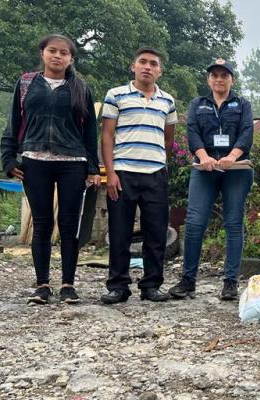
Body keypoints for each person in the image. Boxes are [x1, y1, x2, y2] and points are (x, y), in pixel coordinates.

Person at [1, 34, 99, 305]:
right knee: (42, 224)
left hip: (73, 163)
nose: (58, 56)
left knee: (69, 225)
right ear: (42, 53)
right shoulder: (26, 84)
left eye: (64, 53)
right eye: (52, 51)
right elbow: (13, 122)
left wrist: (92, 168)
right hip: (35, 161)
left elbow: (90, 131)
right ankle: (42, 284)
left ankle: (68, 284)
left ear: (71, 58)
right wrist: (8, 159)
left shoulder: (81, 88)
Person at [167, 59, 253, 301]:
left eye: (224, 75)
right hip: (204, 169)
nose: (219, 79)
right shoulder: (198, 104)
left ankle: (230, 282)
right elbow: (192, 131)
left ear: (231, 80)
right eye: (214, 75)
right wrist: (203, 156)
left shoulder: (242, 104)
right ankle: (187, 281)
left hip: (236, 169)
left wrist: (232, 156)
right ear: (208, 80)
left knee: (233, 223)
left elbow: (247, 132)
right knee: (194, 223)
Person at [100, 47, 177, 304]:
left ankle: (151, 285)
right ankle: (118, 286)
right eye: (142, 62)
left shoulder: (167, 101)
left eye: (153, 64)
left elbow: (168, 139)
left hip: (155, 173)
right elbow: (107, 136)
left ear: (159, 71)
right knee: (119, 231)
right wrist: (110, 173)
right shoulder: (116, 95)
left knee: (155, 233)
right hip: (122, 174)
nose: (147, 67)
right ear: (133, 66)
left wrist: (159, 163)